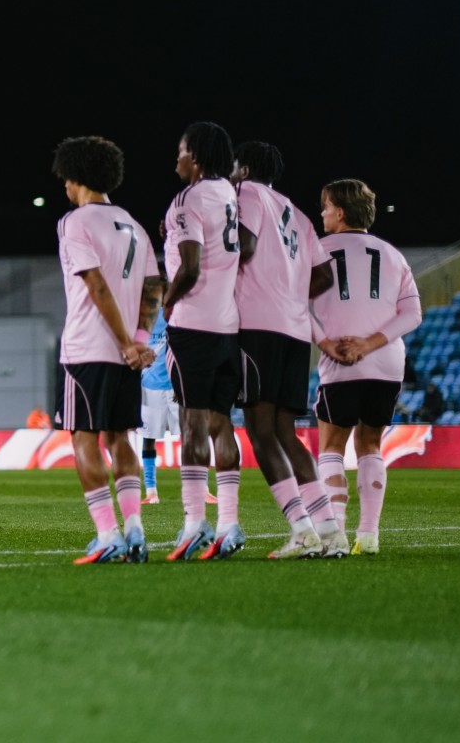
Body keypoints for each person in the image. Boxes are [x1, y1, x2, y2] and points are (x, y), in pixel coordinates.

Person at [229, 141, 342, 560]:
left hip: (257, 326)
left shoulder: (246, 193)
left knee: (260, 431)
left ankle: (302, 530)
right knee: (283, 432)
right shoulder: (298, 213)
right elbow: (324, 276)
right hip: (294, 331)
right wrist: (289, 293)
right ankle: (329, 532)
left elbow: (243, 246)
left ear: (244, 169)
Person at [50, 136, 156, 563]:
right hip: (125, 356)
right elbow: (154, 288)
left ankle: (108, 534)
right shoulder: (134, 226)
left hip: (87, 349)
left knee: (85, 438)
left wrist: (126, 342)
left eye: (66, 178)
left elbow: (95, 285)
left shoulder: (74, 222)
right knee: (120, 438)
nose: (64, 186)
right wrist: (139, 342)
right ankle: (135, 529)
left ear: (76, 176)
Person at [309, 178, 422, 557]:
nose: (322, 213)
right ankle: (369, 535)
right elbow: (413, 313)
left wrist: (327, 343)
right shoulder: (392, 254)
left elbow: (292, 305)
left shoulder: (317, 251)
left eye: (326, 207)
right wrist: (370, 344)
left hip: (340, 360)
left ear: (340, 213)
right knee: (371, 444)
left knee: (331, 446)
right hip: (386, 363)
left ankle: (337, 534)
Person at [160, 121, 247, 561]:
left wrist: (166, 301)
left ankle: (195, 523)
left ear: (193, 156)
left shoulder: (187, 199)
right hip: (228, 326)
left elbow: (190, 267)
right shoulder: (229, 193)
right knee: (221, 423)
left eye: (180, 150)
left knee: (191, 423)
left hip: (192, 325)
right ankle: (229, 524)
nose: (175, 158)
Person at [136, 275, 175, 505]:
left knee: (192, 437)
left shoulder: (176, 315)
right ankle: (151, 491)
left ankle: (201, 489)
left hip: (176, 385)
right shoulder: (143, 318)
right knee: (148, 438)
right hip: (150, 386)